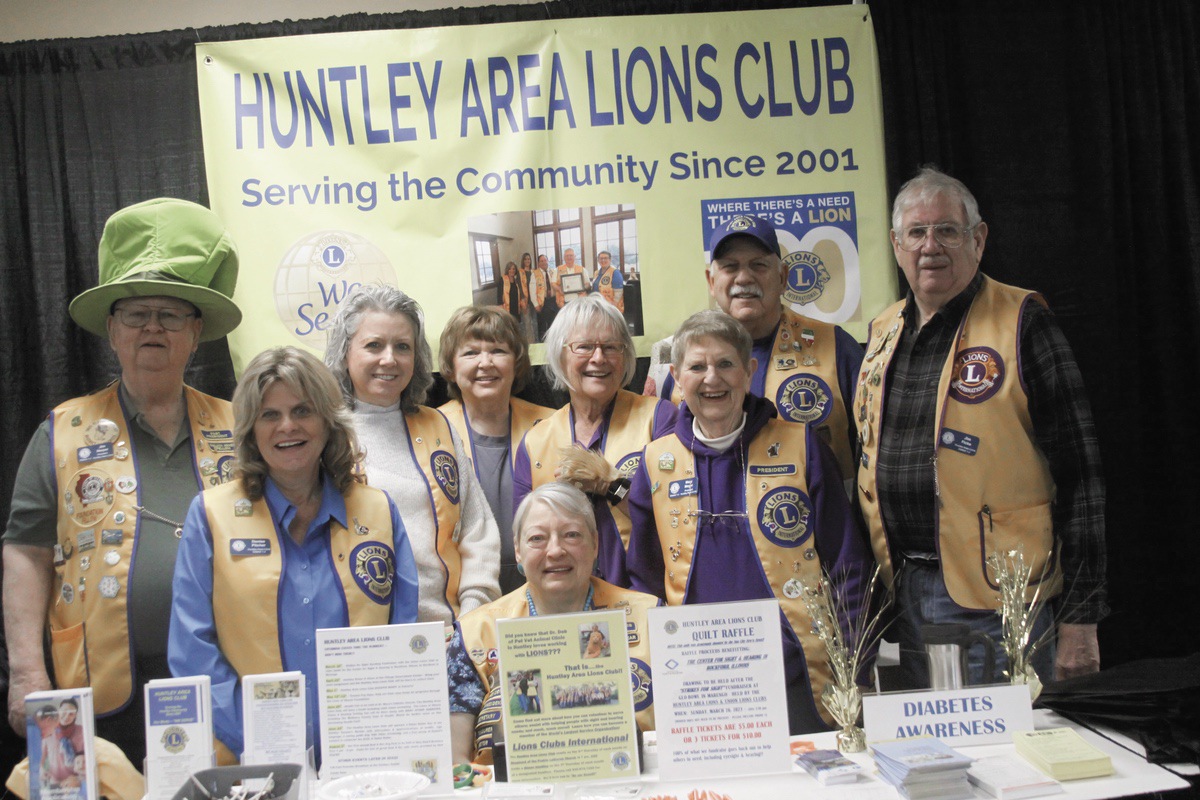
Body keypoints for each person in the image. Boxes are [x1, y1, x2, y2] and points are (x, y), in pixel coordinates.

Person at [2, 198, 241, 765]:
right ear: (112, 330)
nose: (153, 328)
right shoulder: (62, 431)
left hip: (223, 681)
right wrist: (25, 671)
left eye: (171, 314)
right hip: (91, 690)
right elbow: (25, 553)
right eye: (136, 314)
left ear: (196, 330)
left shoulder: (242, 427)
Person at [856, 166, 1107, 688]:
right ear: (896, 245)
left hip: (1000, 601)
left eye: (946, 230)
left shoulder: (1023, 322)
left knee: (1009, 760)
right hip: (904, 595)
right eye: (917, 233)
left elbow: (1083, 477)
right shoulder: (882, 333)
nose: (931, 246)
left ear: (978, 239)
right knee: (938, 761)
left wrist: (1081, 618)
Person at [168, 346, 419, 761]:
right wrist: (263, 742)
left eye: (302, 411)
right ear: (250, 428)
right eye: (270, 415)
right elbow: (193, 652)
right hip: (249, 762)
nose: (287, 426)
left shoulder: (378, 511)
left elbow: (403, 633)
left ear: (327, 421)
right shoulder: (210, 515)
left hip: (366, 758)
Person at [627, 310, 871, 734]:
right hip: (699, 683)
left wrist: (854, 663)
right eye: (697, 367)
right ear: (677, 378)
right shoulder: (655, 463)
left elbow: (847, 564)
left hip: (799, 676)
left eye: (725, 364)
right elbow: (643, 584)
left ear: (749, 371)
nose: (712, 379)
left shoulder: (801, 446)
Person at [446, 483, 660, 764]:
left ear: (595, 544)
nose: (556, 550)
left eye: (571, 535)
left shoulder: (650, 617)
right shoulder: (476, 633)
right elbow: (456, 762)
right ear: (518, 550)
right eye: (537, 539)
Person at [326, 284, 500, 622]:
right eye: (373, 345)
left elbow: (477, 530)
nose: (389, 359)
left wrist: (473, 615)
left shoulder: (438, 427)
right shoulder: (322, 434)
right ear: (345, 353)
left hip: (449, 632)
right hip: (360, 641)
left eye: (402, 346)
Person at [655, 215, 863, 484]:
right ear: (711, 280)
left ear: (783, 276)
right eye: (730, 267)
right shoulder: (678, 356)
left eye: (759, 265)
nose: (744, 277)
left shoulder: (835, 346)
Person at [514, 296, 677, 586]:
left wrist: (611, 486)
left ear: (625, 356)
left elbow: (678, 518)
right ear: (560, 355)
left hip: (645, 599)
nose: (598, 358)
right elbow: (525, 542)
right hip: (565, 606)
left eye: (611, 347)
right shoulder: (535, 442)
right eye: (585, 347)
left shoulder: (659, 418)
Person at [438, 306, 552, 594]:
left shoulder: (554, 425)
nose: (485, 363)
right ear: (451, 367)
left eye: (498, 351)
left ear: (517, 362)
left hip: (545, 585)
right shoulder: (429, 432)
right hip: (460, 591)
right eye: (470, 352)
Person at [530, 253, 554, 341]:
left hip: (552, 301)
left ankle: (552, 342)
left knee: (553, 324)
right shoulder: (534, 274)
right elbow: (532, 291)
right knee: (542, 327)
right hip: (541, 302)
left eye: (545, 260)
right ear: (538, 263)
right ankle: (543, 344)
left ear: (548, 261)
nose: (544, 262)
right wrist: (535, 304)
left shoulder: (552, 272)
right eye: (541, 261)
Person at [517, 252, 538, 343]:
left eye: (529, 259)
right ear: (523, 260)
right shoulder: (520, 272)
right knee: (527, 324)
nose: (527, 261)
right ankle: (530, 343)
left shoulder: (534, 272)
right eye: (525, 259)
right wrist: (522, 301)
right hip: (525, 301)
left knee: (535, 323)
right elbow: (519, 288)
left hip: (534, 301)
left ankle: (536, 342)